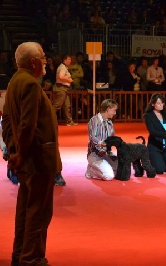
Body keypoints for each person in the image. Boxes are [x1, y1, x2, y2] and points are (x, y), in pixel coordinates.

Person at [1, 41, 62, 266]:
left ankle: (20, 256)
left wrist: (14, 151)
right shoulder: (30, 84)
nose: (46, 61)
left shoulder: (15, 81)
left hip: (27, 161)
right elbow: (28, 126)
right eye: (43, 57)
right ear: (34, 62)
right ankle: (32, 259)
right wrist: (21, 154)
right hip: (38, 161)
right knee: (38, 214)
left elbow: (6, 121)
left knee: (25, 213)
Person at [143, 93, 166, 174]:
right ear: (153, 104)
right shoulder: (148, 116)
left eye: (162, 103)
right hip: (155, 146)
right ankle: (153, 159)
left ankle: (163, 160)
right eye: (158, 103)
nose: (161, 105)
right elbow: (152, 131)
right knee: (160, 170)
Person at [85, 99, 118, 180]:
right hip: (95, 154)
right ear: (108, 109)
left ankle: (103, 167)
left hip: (106, 153)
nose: (115, 113)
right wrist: (102, 143)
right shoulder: (94, 120)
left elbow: (113, 138)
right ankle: (91, 170)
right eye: (114, 110)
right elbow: (93, 137)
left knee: (121, 168)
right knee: (109, 176)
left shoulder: (109, 122)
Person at [52, 54, 78, 126]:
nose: (70, 61)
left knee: (67, 105)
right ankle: (48, 120)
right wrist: (70, 80)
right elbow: (61, 77)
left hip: (64, 88)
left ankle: (69, 121)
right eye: (69, 59)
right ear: (64, 60)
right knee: (57, 105)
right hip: (61, 88)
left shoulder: (64, 67)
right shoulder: (62, 67)